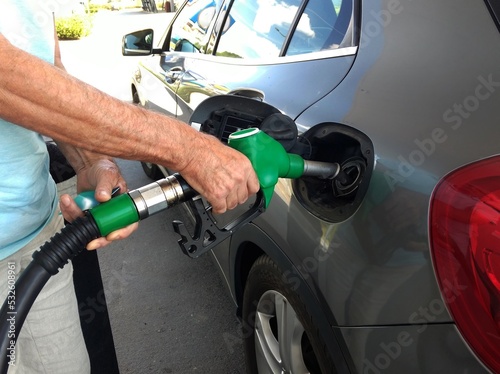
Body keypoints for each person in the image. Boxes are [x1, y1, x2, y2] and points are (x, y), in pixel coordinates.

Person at [0, 1, 259, 373]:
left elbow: (47, 75)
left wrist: (92, 162)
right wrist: (188, 149)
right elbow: (7, 78)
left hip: (34, 240)